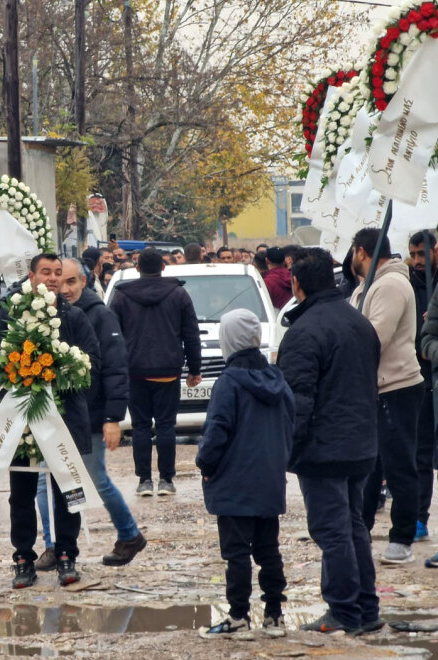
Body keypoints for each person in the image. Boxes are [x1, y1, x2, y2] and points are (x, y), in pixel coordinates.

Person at [278, 248, 381, 634]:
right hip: (360, 443)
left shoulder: (305, 331)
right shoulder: (358, 321)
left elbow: (296, 402)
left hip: (325, 449)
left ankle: (345, 612)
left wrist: (285, 450)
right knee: (353, 526)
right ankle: (365, 609)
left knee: (333, 531)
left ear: (296, 284)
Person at [0, 253, 100, 589]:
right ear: (31, 275)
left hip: (63, 418)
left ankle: (67, 556)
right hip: (21, 420)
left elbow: (93, 360)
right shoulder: (11, 314)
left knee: (68, 489)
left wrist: (60, 370)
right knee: (20, 494)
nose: (53, 278)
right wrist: (15, 374)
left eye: (58, 273)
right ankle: (23, 558)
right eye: (46, 272)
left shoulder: (76, 316)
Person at [35, 258, 145, 571]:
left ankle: (129, 534)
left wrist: (112, 418)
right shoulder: (49, 313)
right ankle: (52, 545)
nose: (66, 288)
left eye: (72, 281)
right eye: (61, 281)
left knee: (96, 479)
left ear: (84, 281)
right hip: (53, 414)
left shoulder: (101, 315)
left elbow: (115, 368)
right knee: (47, 480)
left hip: (91, 415)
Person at [196, 309, 292, 639]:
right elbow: (290, 426)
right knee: (269, 550)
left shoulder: (228, 383)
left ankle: (238, 616)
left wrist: (205, 466)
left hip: (234, 484)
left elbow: (217, 432)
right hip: (269, 480)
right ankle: (275, 615)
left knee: (237, 553)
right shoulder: (278, 380)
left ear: (228, 340)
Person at [350, 228, 423, 564]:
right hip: (372, 388)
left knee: (399, 465)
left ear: (362, 251)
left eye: (353, 253)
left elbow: (373, 336)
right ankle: (359, 529)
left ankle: (402, 537)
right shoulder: (369, 285)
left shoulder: (391, 285)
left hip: (396, 386)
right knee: (368, 465)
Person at [109, 248, 201, 497]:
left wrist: (115, 369)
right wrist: (195, 369)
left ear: (136, 268)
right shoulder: (179, 294)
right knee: (166, 426)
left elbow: (113, 337)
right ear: (163, 266)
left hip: (134, 372)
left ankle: (144, 481)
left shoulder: (121, 297)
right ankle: (167, 481)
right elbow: (191, 334)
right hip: (167, 372)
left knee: (140, 427)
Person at [408, 231, 438, 543]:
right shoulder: (408, 284)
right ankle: (419, 516)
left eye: (422, 254)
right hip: (421, 379)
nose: (417, 261)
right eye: (413, 254)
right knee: (421, 452)